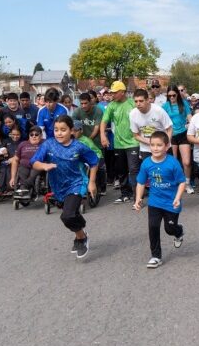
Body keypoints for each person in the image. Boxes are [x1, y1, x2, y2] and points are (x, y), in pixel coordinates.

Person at [31, 115, 98, 259]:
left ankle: (82, 238)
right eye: (56, 130)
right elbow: (34, 162)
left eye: (63, 130)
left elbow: (94, 161)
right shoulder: (48, 144)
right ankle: (80, 234)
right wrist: (44, 165)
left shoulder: (79, 147)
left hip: (76, 184)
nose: (59, 133)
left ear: (71, 131)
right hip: (58, 186)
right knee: (70, 214)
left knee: (67, 215)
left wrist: (92, 182)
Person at [133, 131, 186, 268]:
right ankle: (156, 256)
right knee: (153, 227)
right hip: (155, 202)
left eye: (159, 145)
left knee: (170, 229)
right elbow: (141, 182)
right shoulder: (146, 163)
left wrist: (178, 198)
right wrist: (138, 198)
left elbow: (181, 182)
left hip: (171, 202)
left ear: (167, 146)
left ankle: (178, 231)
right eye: (152, 145)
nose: (155, 148)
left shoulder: (173, 163)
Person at [100, 81, 140, 204]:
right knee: (121, 170)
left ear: (122, 92)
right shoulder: (111, 106)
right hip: (118, 143)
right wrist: (103, 135)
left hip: (133, 142)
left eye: (115, 92)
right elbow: (104, 121)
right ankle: (125, 194)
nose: (112, 95)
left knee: (133, 169)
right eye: (111, 92)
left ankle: (137, 195)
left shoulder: (132, 103)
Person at [163, 85, 193, 193]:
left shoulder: (184, 103)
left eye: (173, 95)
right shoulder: (165, 106)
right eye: (169, 95)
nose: (171, 97)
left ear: (177, 94)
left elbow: (189, 117)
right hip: (171, 135)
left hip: (183, 134)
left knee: (187, 162)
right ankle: (176, 183)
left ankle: (187, 183)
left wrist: (193, 124)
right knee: (174, 162)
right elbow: (162, 121)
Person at [129, 88, 173, 158]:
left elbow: (169, 128)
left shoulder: (158, 110)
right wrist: (151, 142)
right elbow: (136, 135)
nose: (138, 104)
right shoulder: (132, 114)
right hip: (146, 149)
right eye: (136, 101)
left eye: (141, 101)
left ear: (147, 100)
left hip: (163, 147)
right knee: (149, 168)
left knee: (167, 168)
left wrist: (166, 144)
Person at [10, 125, 45, 194]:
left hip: (38, 165)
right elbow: (15, 160)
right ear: (29, 136)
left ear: (41, 136)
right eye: (31, 134)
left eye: (36, 134)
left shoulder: (45, 143)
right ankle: (25, 189)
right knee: (22, 171)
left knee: (33, 173)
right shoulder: (23, 144)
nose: (34, 136)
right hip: (24, 166)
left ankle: (23, 187)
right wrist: (12, 177)